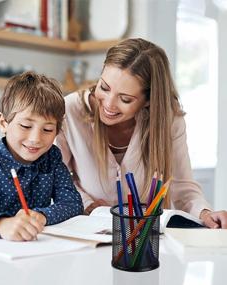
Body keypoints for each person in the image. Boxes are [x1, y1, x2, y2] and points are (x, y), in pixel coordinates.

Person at [55, 38, 227, 228]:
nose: (109, 104)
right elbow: (56, 178)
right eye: (104, 87)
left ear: (148, 100)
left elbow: (182, 187)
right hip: (88, 231)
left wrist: (205, 213)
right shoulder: (69, 110)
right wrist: (88, 204)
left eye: (126, 99)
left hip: (146, 236)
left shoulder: (169, 120)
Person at [0, 71, 83, 241]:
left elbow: (73, 204)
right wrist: (0, 224)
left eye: (47, 130)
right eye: (26, 126)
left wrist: (42, 215)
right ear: (3, 123)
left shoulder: (52, 159)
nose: (36, 139)